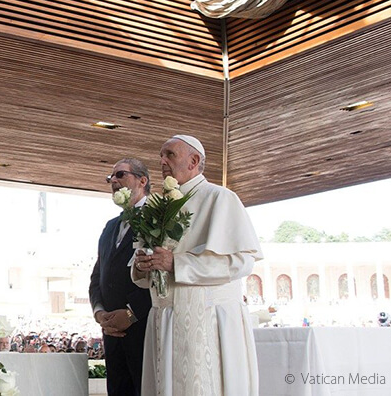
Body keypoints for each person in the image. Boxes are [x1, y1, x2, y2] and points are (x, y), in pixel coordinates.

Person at [133, 135, 263, 396]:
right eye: (161, 155)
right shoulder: (158, 206)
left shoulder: (220, 198)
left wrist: (177, 264)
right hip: (164, 318)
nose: (162, 161)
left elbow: (241, 262)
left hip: (207, 319)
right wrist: (142, 266)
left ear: (194, 160)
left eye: (170, 154)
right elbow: (141, 272)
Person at [90, 158, 152, 396]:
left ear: (142, 180)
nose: (113, 181)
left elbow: (163, 276)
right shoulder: (109, 227)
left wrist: (131, 313)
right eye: (111, 178)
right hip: (112, 332)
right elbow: (98, 275)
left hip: (144, 329)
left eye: (120, 175)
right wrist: (100, 313)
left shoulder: (159, 219)